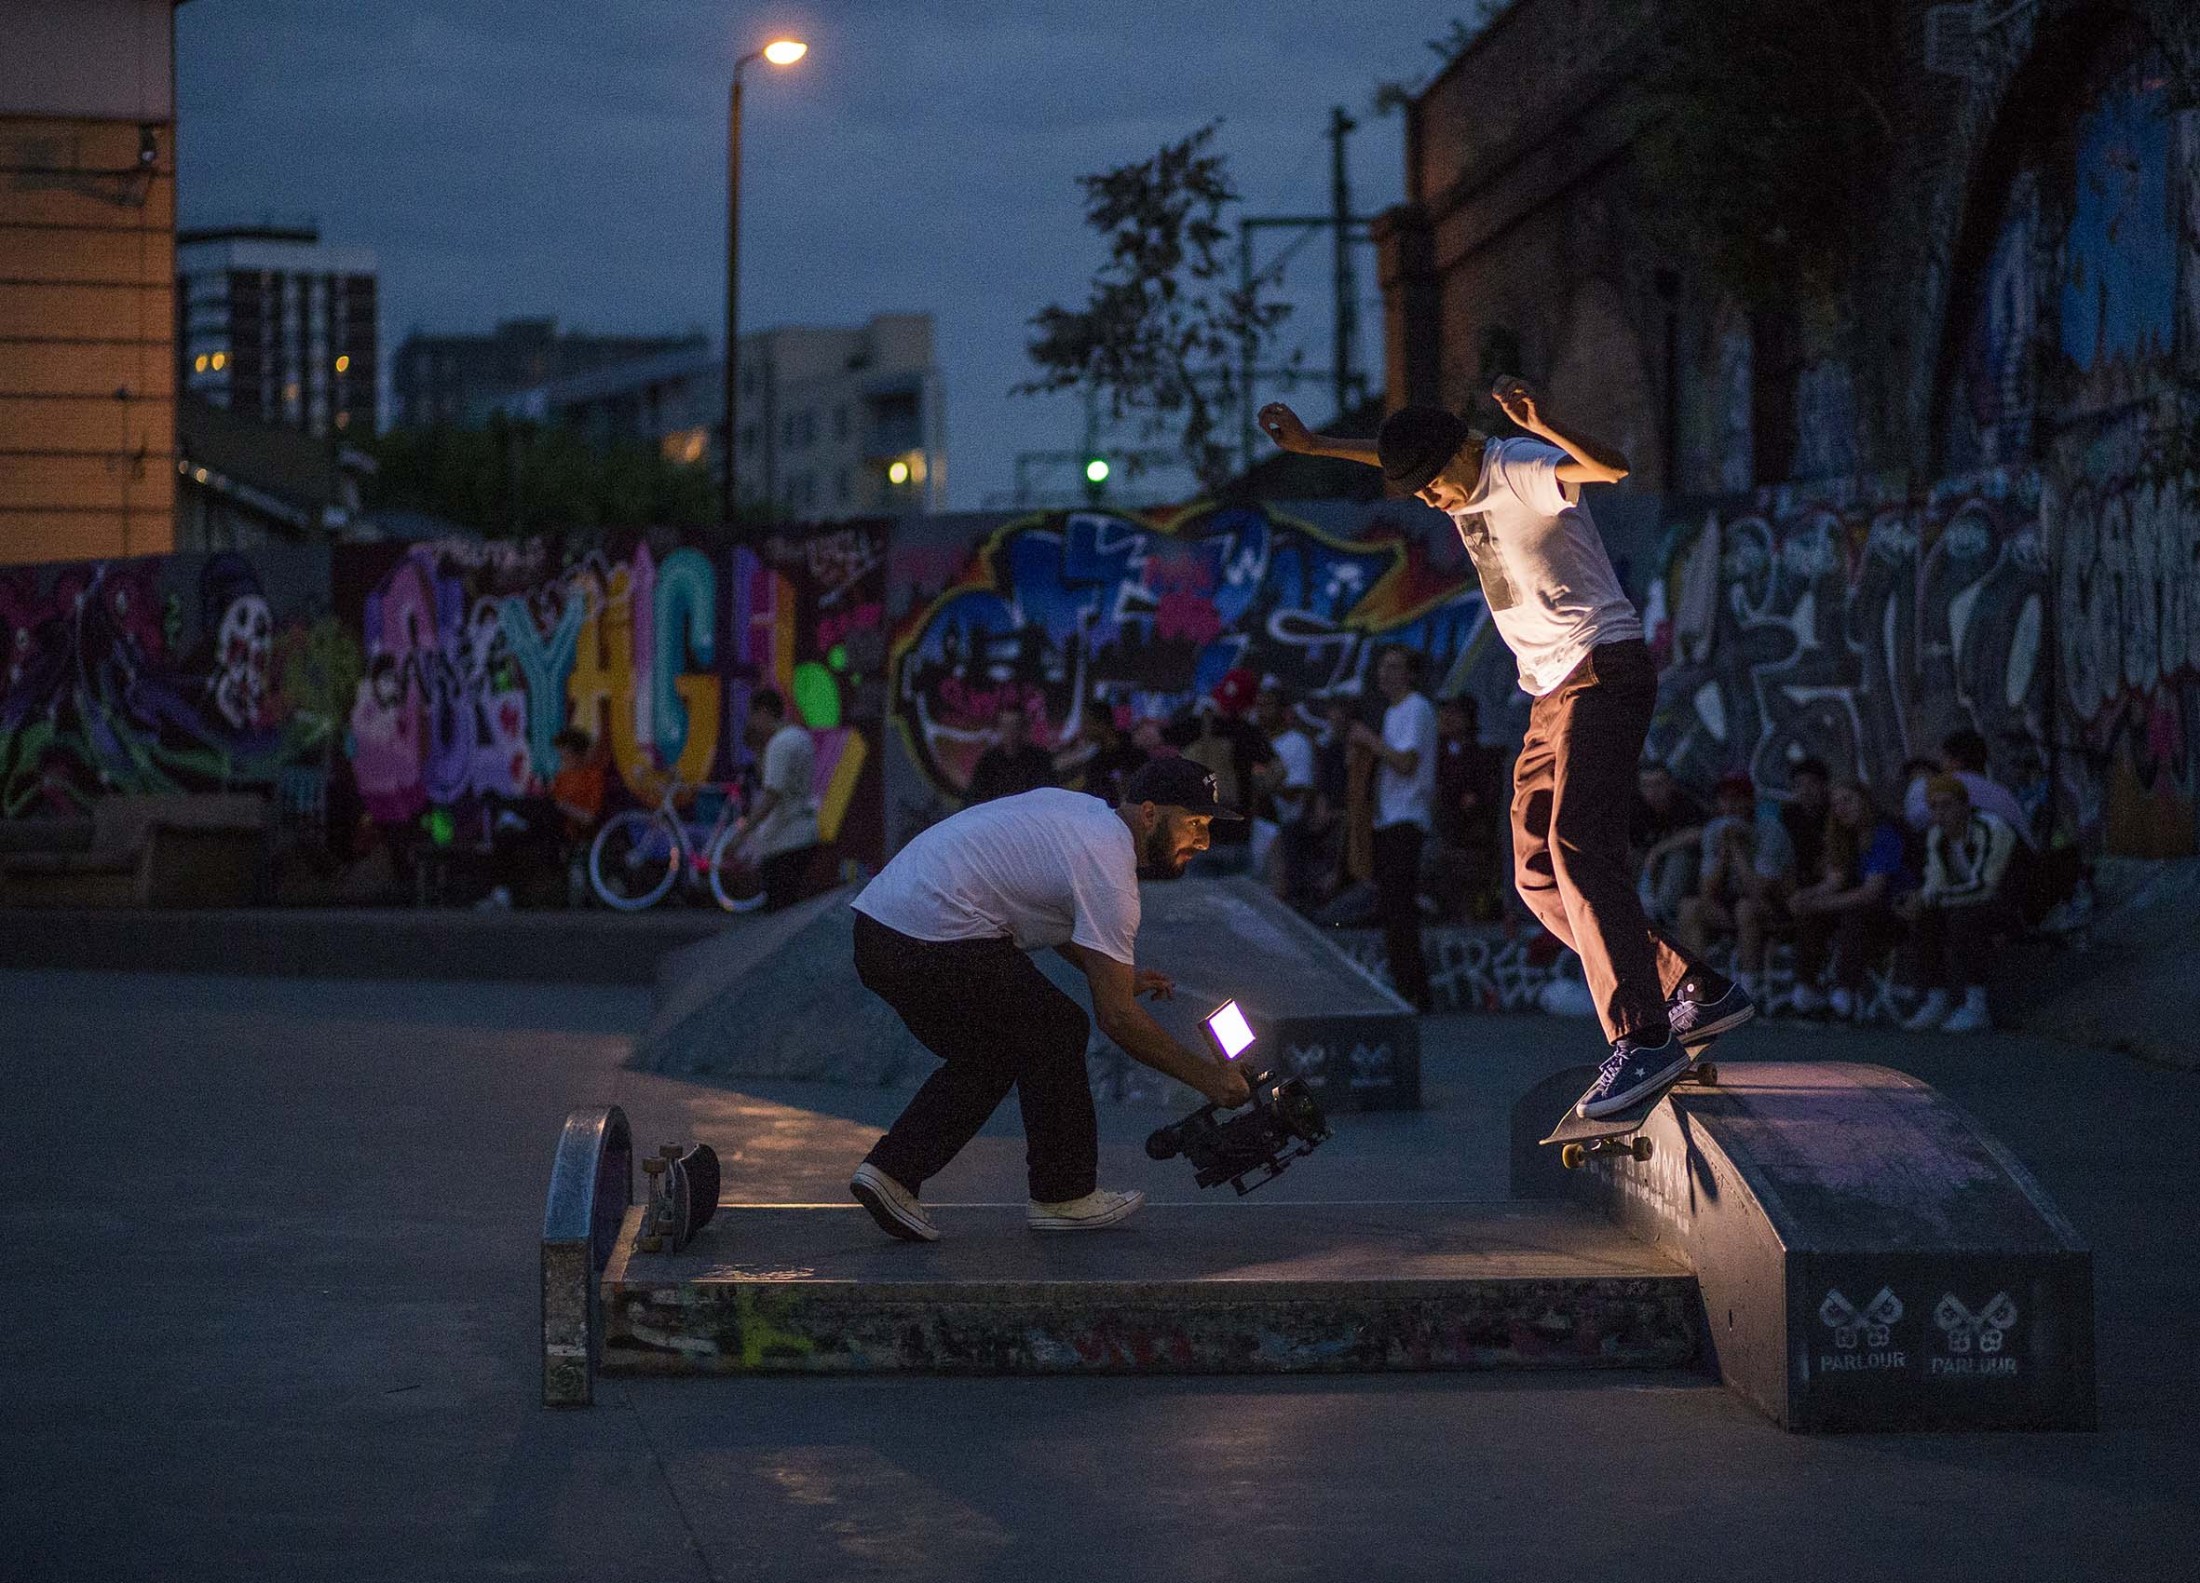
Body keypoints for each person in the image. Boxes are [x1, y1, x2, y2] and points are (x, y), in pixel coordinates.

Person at [1261, 380, 1749, 1117]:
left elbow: (1610, 469)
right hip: (1550, 695)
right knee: (1535, 875)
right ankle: (1696, 988)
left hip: (1601, 668)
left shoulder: (1518, 465)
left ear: (1460, 455)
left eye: (1433, 489)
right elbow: (1396, 455)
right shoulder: (1453, 475)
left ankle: (1645, 1037)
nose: (1434, 504)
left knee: (1579, 845)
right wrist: (1318, 446)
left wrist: (1546, 423)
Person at [845, 760, 1253, 1241]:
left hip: (880, 931)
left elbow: (1046, 906)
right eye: (1195, 823)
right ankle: (1063, 1195)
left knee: (996, 1051)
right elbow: (1118, 1019)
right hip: (933, 930)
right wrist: (1210, 1080)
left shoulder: (1081, 816)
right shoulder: (1110, 870)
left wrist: (1114, 973)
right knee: (1057, 1028)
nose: (1203, 842)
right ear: (1149, 814)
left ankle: (893, 1172)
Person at [1341, 646, 1438, 1011]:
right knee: (1391, 909)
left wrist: (1370, 741)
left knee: (1400, 910)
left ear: (1410, 674)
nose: (1386, 674)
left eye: (1395, 667)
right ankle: (1406, 985)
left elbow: (1406, 762)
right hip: (1387, 819)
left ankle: (1415, 990)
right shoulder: (1392, 712)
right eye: (1383, 667)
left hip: (1406, 819)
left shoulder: (1416, 708)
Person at [1898, 774, 2018, 1033]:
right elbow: (1936, 879)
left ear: (1964, 806)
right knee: (1924, 917)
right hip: (1962, 901)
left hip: (2007, 903)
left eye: (1947, 805)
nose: (1940, 813)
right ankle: (1936, 998)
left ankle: (1977, 1005)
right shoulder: (1937, 836)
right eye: (1934, 807)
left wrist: (1934, 898)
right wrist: (1921, 899)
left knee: (1964, 919)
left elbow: (1985, 885)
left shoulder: (1991, 828)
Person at [1786, 780, 1907, 1018]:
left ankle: (1845, 990)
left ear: (1864, 801)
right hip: (1854, 906)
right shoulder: (1843, 838)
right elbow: (1834, 882)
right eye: (1836, 804)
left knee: (1855, 915)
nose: (1841, 808)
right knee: (1811, 915)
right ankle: (1806, 986)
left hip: (1892, 909)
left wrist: (1820, 904)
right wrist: (1805, 897)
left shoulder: (1884, 835)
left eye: (1848, 800)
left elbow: (1871, 892)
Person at [1677, 771, 1796, 999]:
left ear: (1750, 801)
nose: (1730, 805)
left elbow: (1759, 890)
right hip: (1730, 902)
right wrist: (1723, 855)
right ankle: (1698, 988)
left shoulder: (1770, 831)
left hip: (1774, 906)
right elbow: (1707, 891)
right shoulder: (1714, 831)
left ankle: (1748, 988)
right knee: (1690, 907)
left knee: (1745, 909)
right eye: (1724, 799)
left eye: (1737, 798)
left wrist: (1738, 850)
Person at [1164, 668, 1274, 877]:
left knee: (1199, 896)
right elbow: (1277, 772)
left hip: (1197, 837)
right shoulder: (1251, 733)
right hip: (1237, 836)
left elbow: (1154, 739)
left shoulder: (1194, 727)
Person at [728, 689, 819, 912]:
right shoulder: (800, 737)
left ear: (763, 712)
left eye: (752, 716)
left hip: (784, 839)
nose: (751, 723)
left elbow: (770, 795)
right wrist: (759, 749)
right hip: (803, 833)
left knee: (779, 910)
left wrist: (741, 834)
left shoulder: (780, 744)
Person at [1430, 695, 1504, 921]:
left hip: (1471, 832)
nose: (1447, 718)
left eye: (1454, 713)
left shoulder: (1479, 756)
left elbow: (1477, 796)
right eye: (1444, 713)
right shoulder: (1435, 753)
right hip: (1441, 827)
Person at [1904, 729, 2032, 847]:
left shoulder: (1947, 787)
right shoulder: (2003, 793)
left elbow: (1916, 817)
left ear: (1955, 761)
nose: (1942, 766)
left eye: (1944, 759)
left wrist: (1919, 779)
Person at [1250, 680, 1317, 901]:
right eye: (1258, 705)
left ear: (1283, 710)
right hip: (1255, 829)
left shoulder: (1296, 743)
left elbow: (1298, 792)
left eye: (1268, 705)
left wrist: (1264, 782)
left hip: (1286, 830)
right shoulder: (1252, 742)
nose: (1261, 711)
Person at [1630, 761, 1707, 928]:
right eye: (1647, 785)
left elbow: (1700, 833)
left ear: (1670, 784)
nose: (1653, 792)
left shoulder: (1685, 804)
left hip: (1686, 871)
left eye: (1658, 784)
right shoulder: (1637, 809)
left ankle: (1664, 917)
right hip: (1646, 869)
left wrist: (1659, 850)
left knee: (1679, 859)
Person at [966, 704, 1055, 804]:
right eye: (1005, 726)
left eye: (1015, 726)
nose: (1010, 732)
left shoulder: (1040, 758)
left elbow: (1047, 794)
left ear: (1024, 729)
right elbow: (975, 797)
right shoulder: (988, 760)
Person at [1780, 756, 1832, 887]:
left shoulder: (1836, 813)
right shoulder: (1788, 815)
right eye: (1799, 785)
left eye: (1812, 784)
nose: (1805, 791)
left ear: (1824, 785)